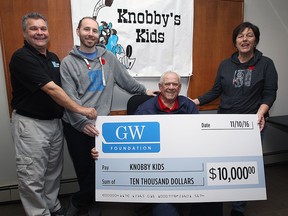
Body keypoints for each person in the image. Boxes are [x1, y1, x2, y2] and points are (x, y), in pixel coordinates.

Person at [60, 16, 158, 216]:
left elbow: (126, 81)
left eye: (94, 30)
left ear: (99, 34)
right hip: (74, 124)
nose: (90, 34)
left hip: (101, 124)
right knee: (83, 167)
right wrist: (81, 123)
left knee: (99, 169)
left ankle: (84, 201)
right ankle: (86, 202)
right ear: (78, 31)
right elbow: (68, 98)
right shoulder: (68, 63)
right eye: (86, 29)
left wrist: (143, 91)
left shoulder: (109, 58)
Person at [91, 71, 223, 216]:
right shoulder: (144, 110)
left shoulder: (189, 107)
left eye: (175, 84)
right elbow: (129, 144)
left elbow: (200, 138)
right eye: (167, 84)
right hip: (159, 175)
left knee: (213, 199)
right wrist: (102, 152)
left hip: (185, 168)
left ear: (179, 88)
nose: (171, 87)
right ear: (160, 87)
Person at [9, 12, 97, 216]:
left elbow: (67, 86)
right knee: (32, 175)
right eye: (33, 28)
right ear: (25, 33)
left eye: (43, 28)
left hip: (54, 124)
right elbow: (52, 89)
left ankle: (52, 207)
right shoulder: (21, 57)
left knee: (52, 173)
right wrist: (82, 110)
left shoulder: (54, 58)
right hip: (31, 125)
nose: (39, 32)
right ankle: (39, 213)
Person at [192, 22, 278, 216]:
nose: (245, 39)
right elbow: (216, 91)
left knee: (244, 167)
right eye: (240, 36)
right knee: (223, 164)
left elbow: (270, 94)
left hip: (252, 124)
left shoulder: (266, 64)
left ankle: (238, 208)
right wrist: (193, 101)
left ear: (255, 40)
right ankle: (218, 201)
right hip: (224, 124)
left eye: (249, 35)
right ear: (235, 41)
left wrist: (261, 112)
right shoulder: (225, 64)